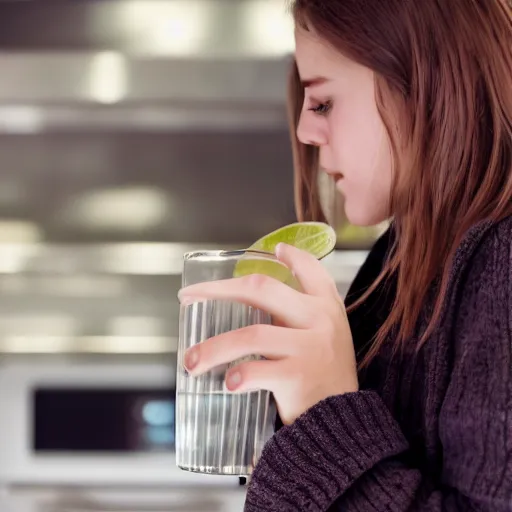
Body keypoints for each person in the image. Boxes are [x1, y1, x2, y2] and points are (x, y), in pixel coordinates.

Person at [178, 0, 512, 510]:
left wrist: (324, 415)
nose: (305, 133)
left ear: (422, 80)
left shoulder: (502, 263)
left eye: (324, 102)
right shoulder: (395, 266)